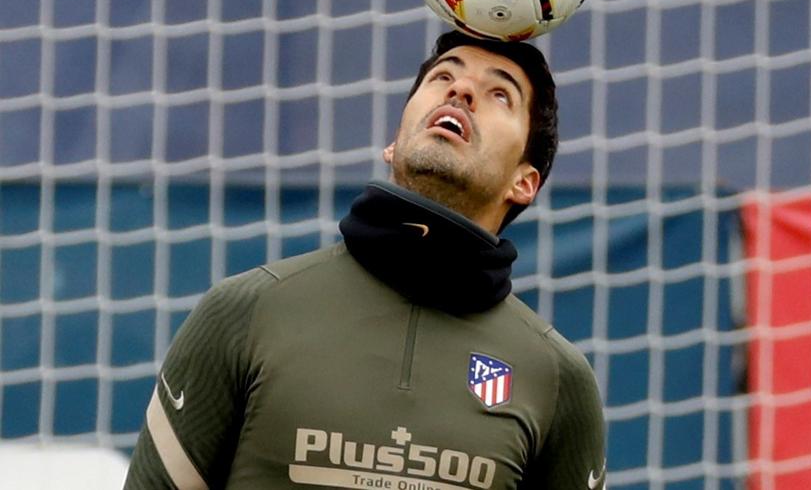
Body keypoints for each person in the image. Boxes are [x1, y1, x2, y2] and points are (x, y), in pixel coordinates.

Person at [124, 30, 607, 490]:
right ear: (394, 143)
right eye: (443, 76)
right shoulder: (242, 312)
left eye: (500, 94)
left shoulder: (557, 378)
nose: (459, 89)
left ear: (524, 183)